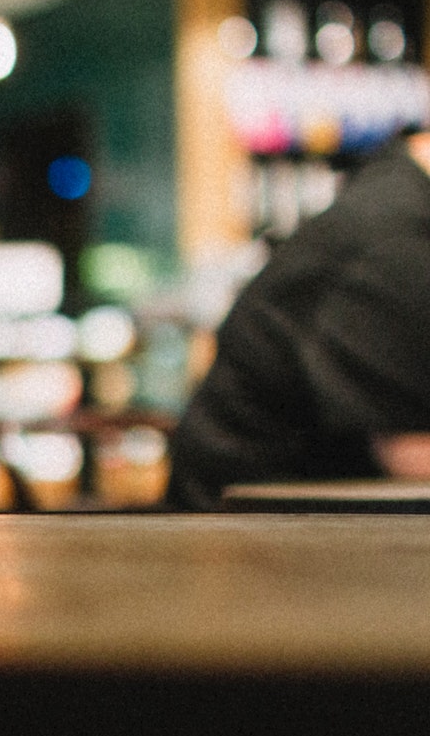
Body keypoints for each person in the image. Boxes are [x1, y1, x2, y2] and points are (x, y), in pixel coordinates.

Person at [167, 132, 430, 509]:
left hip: (316, 523)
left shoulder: (397, 199)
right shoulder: (394, 245)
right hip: (241, 531)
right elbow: (415, 455)